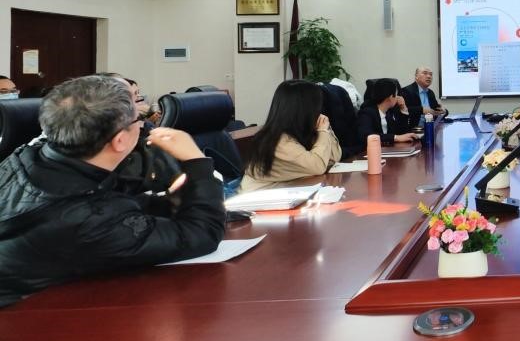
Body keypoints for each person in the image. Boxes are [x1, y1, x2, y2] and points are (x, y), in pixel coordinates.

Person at [0, 75, 226, 307]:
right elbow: (202, 234)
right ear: (120, 140)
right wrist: (196, 161)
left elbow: (118, 203)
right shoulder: (86, 219)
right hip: (23, 318)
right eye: (138, 119)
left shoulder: (27, 157)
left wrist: (178, 201)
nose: (142, 125)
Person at [241, 80, 342, 192]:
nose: (319, 110)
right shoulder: (277, 142)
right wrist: (323, 131)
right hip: (258, 199)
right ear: (304, 110)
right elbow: (318, 166)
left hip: (286, 195)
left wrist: (325, 129)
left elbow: (333, 158)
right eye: (317, 106)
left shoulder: (299, 132)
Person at [358, 78, 421, 146]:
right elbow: (366, 135)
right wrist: (395, 138)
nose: (398, 97)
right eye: (396, 95)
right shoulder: (366, 113)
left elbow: (401, 133)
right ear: (390, 97)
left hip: (388, 149)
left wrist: (403, 108)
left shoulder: (389, 113)